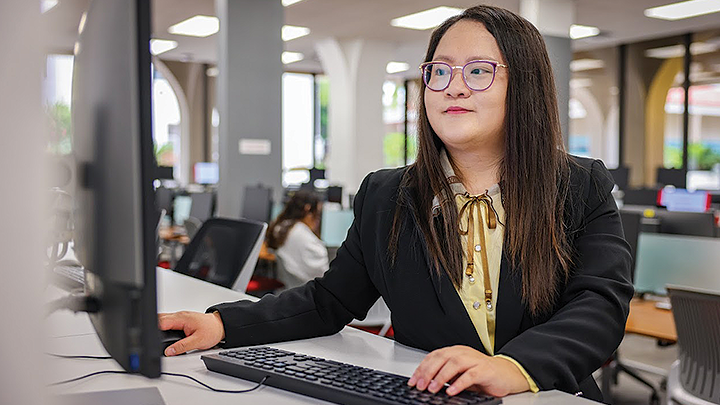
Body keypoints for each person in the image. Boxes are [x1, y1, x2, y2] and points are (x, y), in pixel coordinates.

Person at [158, 5, 633, 402]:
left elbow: (599, 305)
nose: (454, 86)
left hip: (547, 395)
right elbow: (329, 300)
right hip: (431, 395)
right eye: (439, 71)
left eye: (479, 71)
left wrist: (515, 366)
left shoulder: (577, 183)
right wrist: (223, 323)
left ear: (525, 86)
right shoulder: (387, 196)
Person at [265, 190, 329, 290]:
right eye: (317, 213)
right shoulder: (308, 240)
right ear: (307, 209)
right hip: (307, 295)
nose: (318, 220)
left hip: (287, 291)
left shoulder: (280, 228)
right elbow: (323, 278)